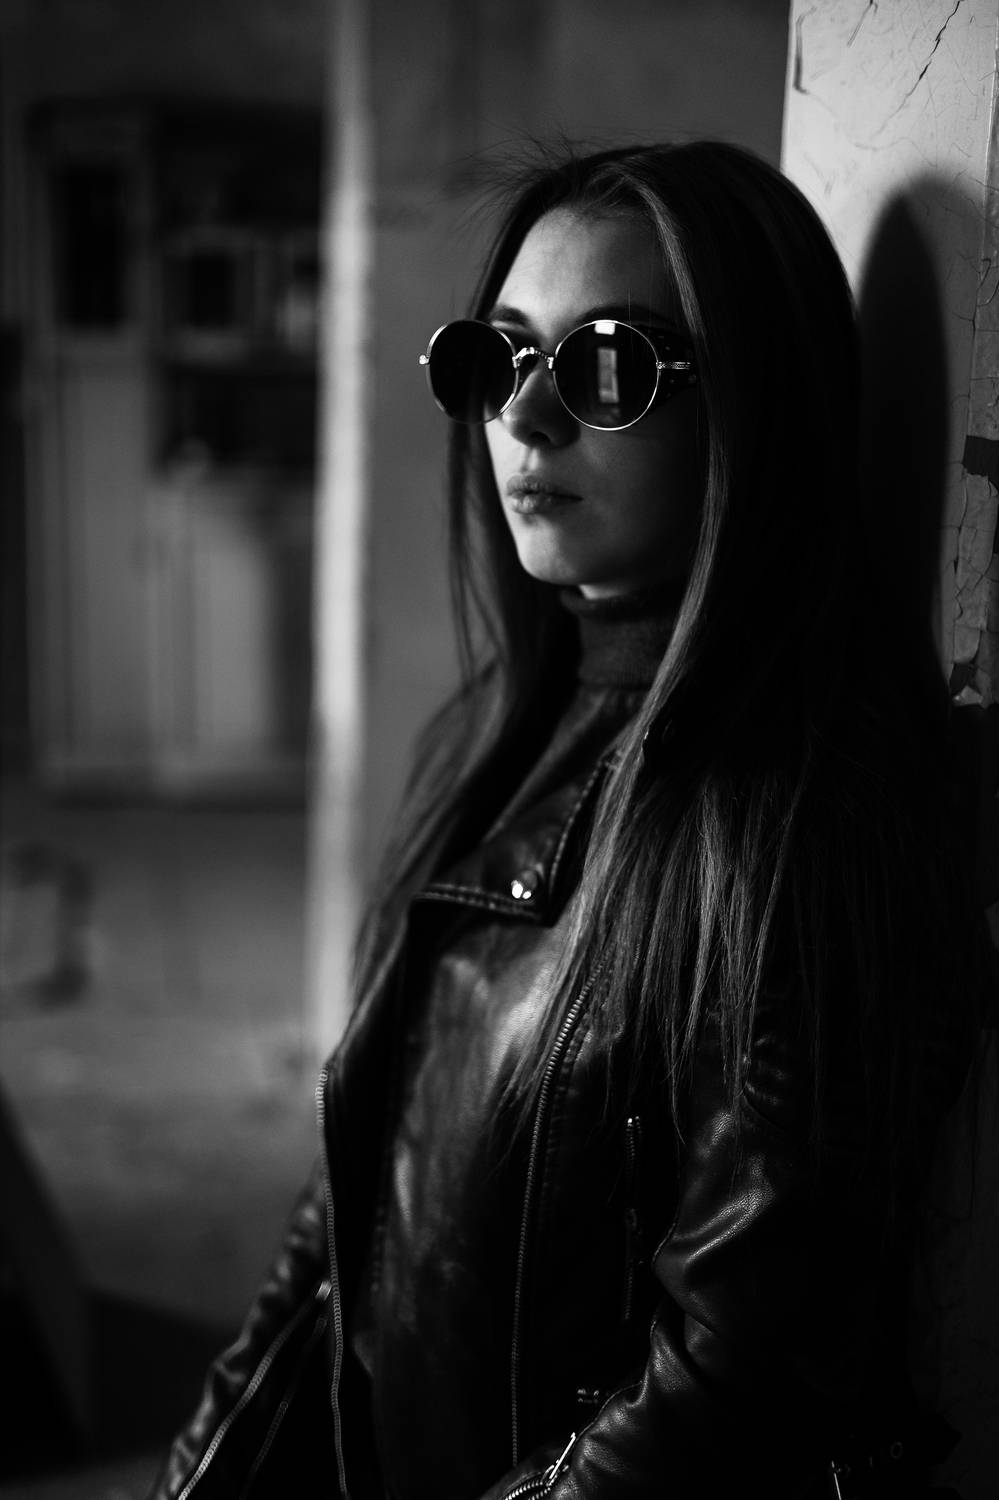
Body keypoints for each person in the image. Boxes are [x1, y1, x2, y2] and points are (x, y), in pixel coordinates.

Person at [151, 141, 988, 1500]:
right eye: (498, 358)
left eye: (608, 363)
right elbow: (354, 1209)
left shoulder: (791, 822)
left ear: (753, 404)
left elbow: (734, 1384)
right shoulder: (501, 729)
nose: (525, 418)